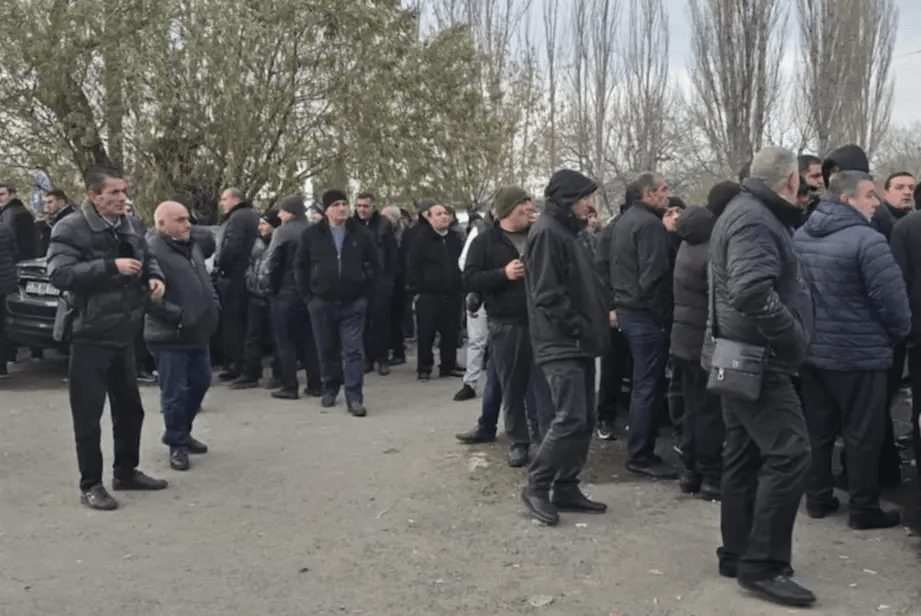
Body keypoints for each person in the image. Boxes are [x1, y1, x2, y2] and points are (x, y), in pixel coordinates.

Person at [706, 146, 815, 607]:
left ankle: (738, 552)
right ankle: (762, 565)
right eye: (804, 184)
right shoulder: (754, 218)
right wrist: (792, 338)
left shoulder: (745, 210)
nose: (808, 192)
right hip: (758, 359)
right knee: (791, 453)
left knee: (745, 452)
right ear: (789, 181)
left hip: (738, 355)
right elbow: (751, 290)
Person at [47, 164, 169, 511]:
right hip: (89, 334)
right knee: (88, 417)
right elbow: (59, 274)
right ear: (93, 195)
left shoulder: (129, 223)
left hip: (124, 332)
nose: (121, 198)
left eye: (122, 191)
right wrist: (109, 266)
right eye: (113, 192)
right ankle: (91, 484)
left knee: (130, 409)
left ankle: (126, 471)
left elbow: (148, 257)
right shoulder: (71, 228)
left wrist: (155, 278)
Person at [794, 171, 909, 530]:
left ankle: (817, 498)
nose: (876, 202)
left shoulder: (800, 235)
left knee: (819, 430)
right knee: (863, 434)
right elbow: (893, 303)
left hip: (812, 352)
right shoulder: (868, 240)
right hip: (858, 354)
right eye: (869, 196)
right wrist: (897, 333)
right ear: (847, 200)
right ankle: (863, 508)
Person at [521, 169, 610, 527]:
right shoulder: (546, 233)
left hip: (579, 341)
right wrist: (577, 327)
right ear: (568, 199)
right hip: (561, 343)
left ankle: (567, 486)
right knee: (570, 417)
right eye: (585, 197)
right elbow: (547, 294)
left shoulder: (571, 232)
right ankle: (537, 485)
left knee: (584, 418)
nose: (590, 204)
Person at [463, 187, 553, 467]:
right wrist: (503, 274)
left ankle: (548, 438)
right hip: (506, 323)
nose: (529, 210)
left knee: (545, 385)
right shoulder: (485, 241)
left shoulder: (540, 235)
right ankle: (518, 442)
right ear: (506, 211)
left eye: (530, 206)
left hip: (542, 321)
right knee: (512, 386)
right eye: (523, 206)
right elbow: (471, 279)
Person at [670, 182, 740, 501]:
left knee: (692, 407)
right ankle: (712, 476)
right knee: (710, 411)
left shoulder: (687, 240)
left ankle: (690, 471)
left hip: (682, 337)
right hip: (704, 339)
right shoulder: (714, 245)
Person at [608, 172, 677, 479]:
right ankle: (640, 454)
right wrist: (663, 315)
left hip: (628, 309)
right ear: (648, 195)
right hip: (644, 314)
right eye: (663, 191)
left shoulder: (624, 222)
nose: (667, 196)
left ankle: (640, 450)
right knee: (647, 386)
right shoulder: (649, 226)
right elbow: (653, 277)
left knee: (642, 385)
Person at [145, 202, 220, 471]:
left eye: (188, 218)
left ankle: (181, 431)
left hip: (198, 331)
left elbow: (204, 279)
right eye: (180, 220)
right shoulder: (152, 251)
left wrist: (213, 306)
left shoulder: (192, 246)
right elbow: (146, 297)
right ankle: (177, 444)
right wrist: (177, 316)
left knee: (201, 381)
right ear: (161, 224)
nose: (187, 224)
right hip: (170, 335)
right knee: (173, 393)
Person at [298, 189, 380, 416]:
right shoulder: (312, 235)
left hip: (354, 302)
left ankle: (354, 396)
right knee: (326, 348)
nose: (342, 208)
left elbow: (375, 265)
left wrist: (368, 294)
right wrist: (308, 296)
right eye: (336, 205)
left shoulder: (361, 234)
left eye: (345, 203)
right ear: (326, 210)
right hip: (321, 301)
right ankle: (330, 387)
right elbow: (301, 266)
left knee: (354, 350)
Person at [262, 194, 321, 400]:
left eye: (282, 211)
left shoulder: (282, 232)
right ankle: (315, 384)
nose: (279, 214)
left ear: (291, 212)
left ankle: (290, 386)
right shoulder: (315, 230)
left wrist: (267, 288)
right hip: (311, 294)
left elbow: (270, 263)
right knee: (310, 340)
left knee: (285, 341)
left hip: (286, 292)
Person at [406, 199, 464, 381]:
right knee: (426, 333)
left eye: (446, 213)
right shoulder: (421, 239)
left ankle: (448, 365)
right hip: (428, 294)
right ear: (428, 218)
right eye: (438, 214)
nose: (444, 217)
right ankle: (424, 367)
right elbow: (412, 265)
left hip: (452, 293)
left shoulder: (455, 238)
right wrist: (416, 289)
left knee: (451, 331)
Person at [232, 210, 282, 389]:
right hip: (255, 292)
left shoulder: (279, 242)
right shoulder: (256, 243)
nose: (260, 227)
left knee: (278, 337)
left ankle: (279, 374)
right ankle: (250, 373)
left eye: (264, 224)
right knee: (253, 336)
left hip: (272, 293)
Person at [215, 187, 259, 381]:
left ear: (235, 198)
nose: (221, 203)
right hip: (244, 275)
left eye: (224, 199)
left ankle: (240, 367)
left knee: (235, 324)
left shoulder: (238, 218)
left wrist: (220, 264)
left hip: (236, 276)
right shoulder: (248, 215)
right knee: (242, 324)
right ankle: (239, 366)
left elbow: (232, 245)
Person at [352, 192, 398, 376]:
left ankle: (382, 358)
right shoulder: (351, 225)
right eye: (359, 206)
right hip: (358, 280)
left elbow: (392, 254)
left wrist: (389, 280)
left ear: (373, 207)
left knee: (380, 321)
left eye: (365, 206)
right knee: (361, 323)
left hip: (379, 281)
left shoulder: (384, 225)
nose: (362, 210)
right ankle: (366, 359)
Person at [0, 181, 36, 262]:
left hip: (14, 261)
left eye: (2, 194)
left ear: (11, 195)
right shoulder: (18, 210)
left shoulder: (11, 213)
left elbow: (8, 241)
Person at [37, 189, 76, 255]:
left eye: (50, 202)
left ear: (61, 202)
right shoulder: (55, 219)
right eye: (46, 203)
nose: (47, 206)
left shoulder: (69, 218)